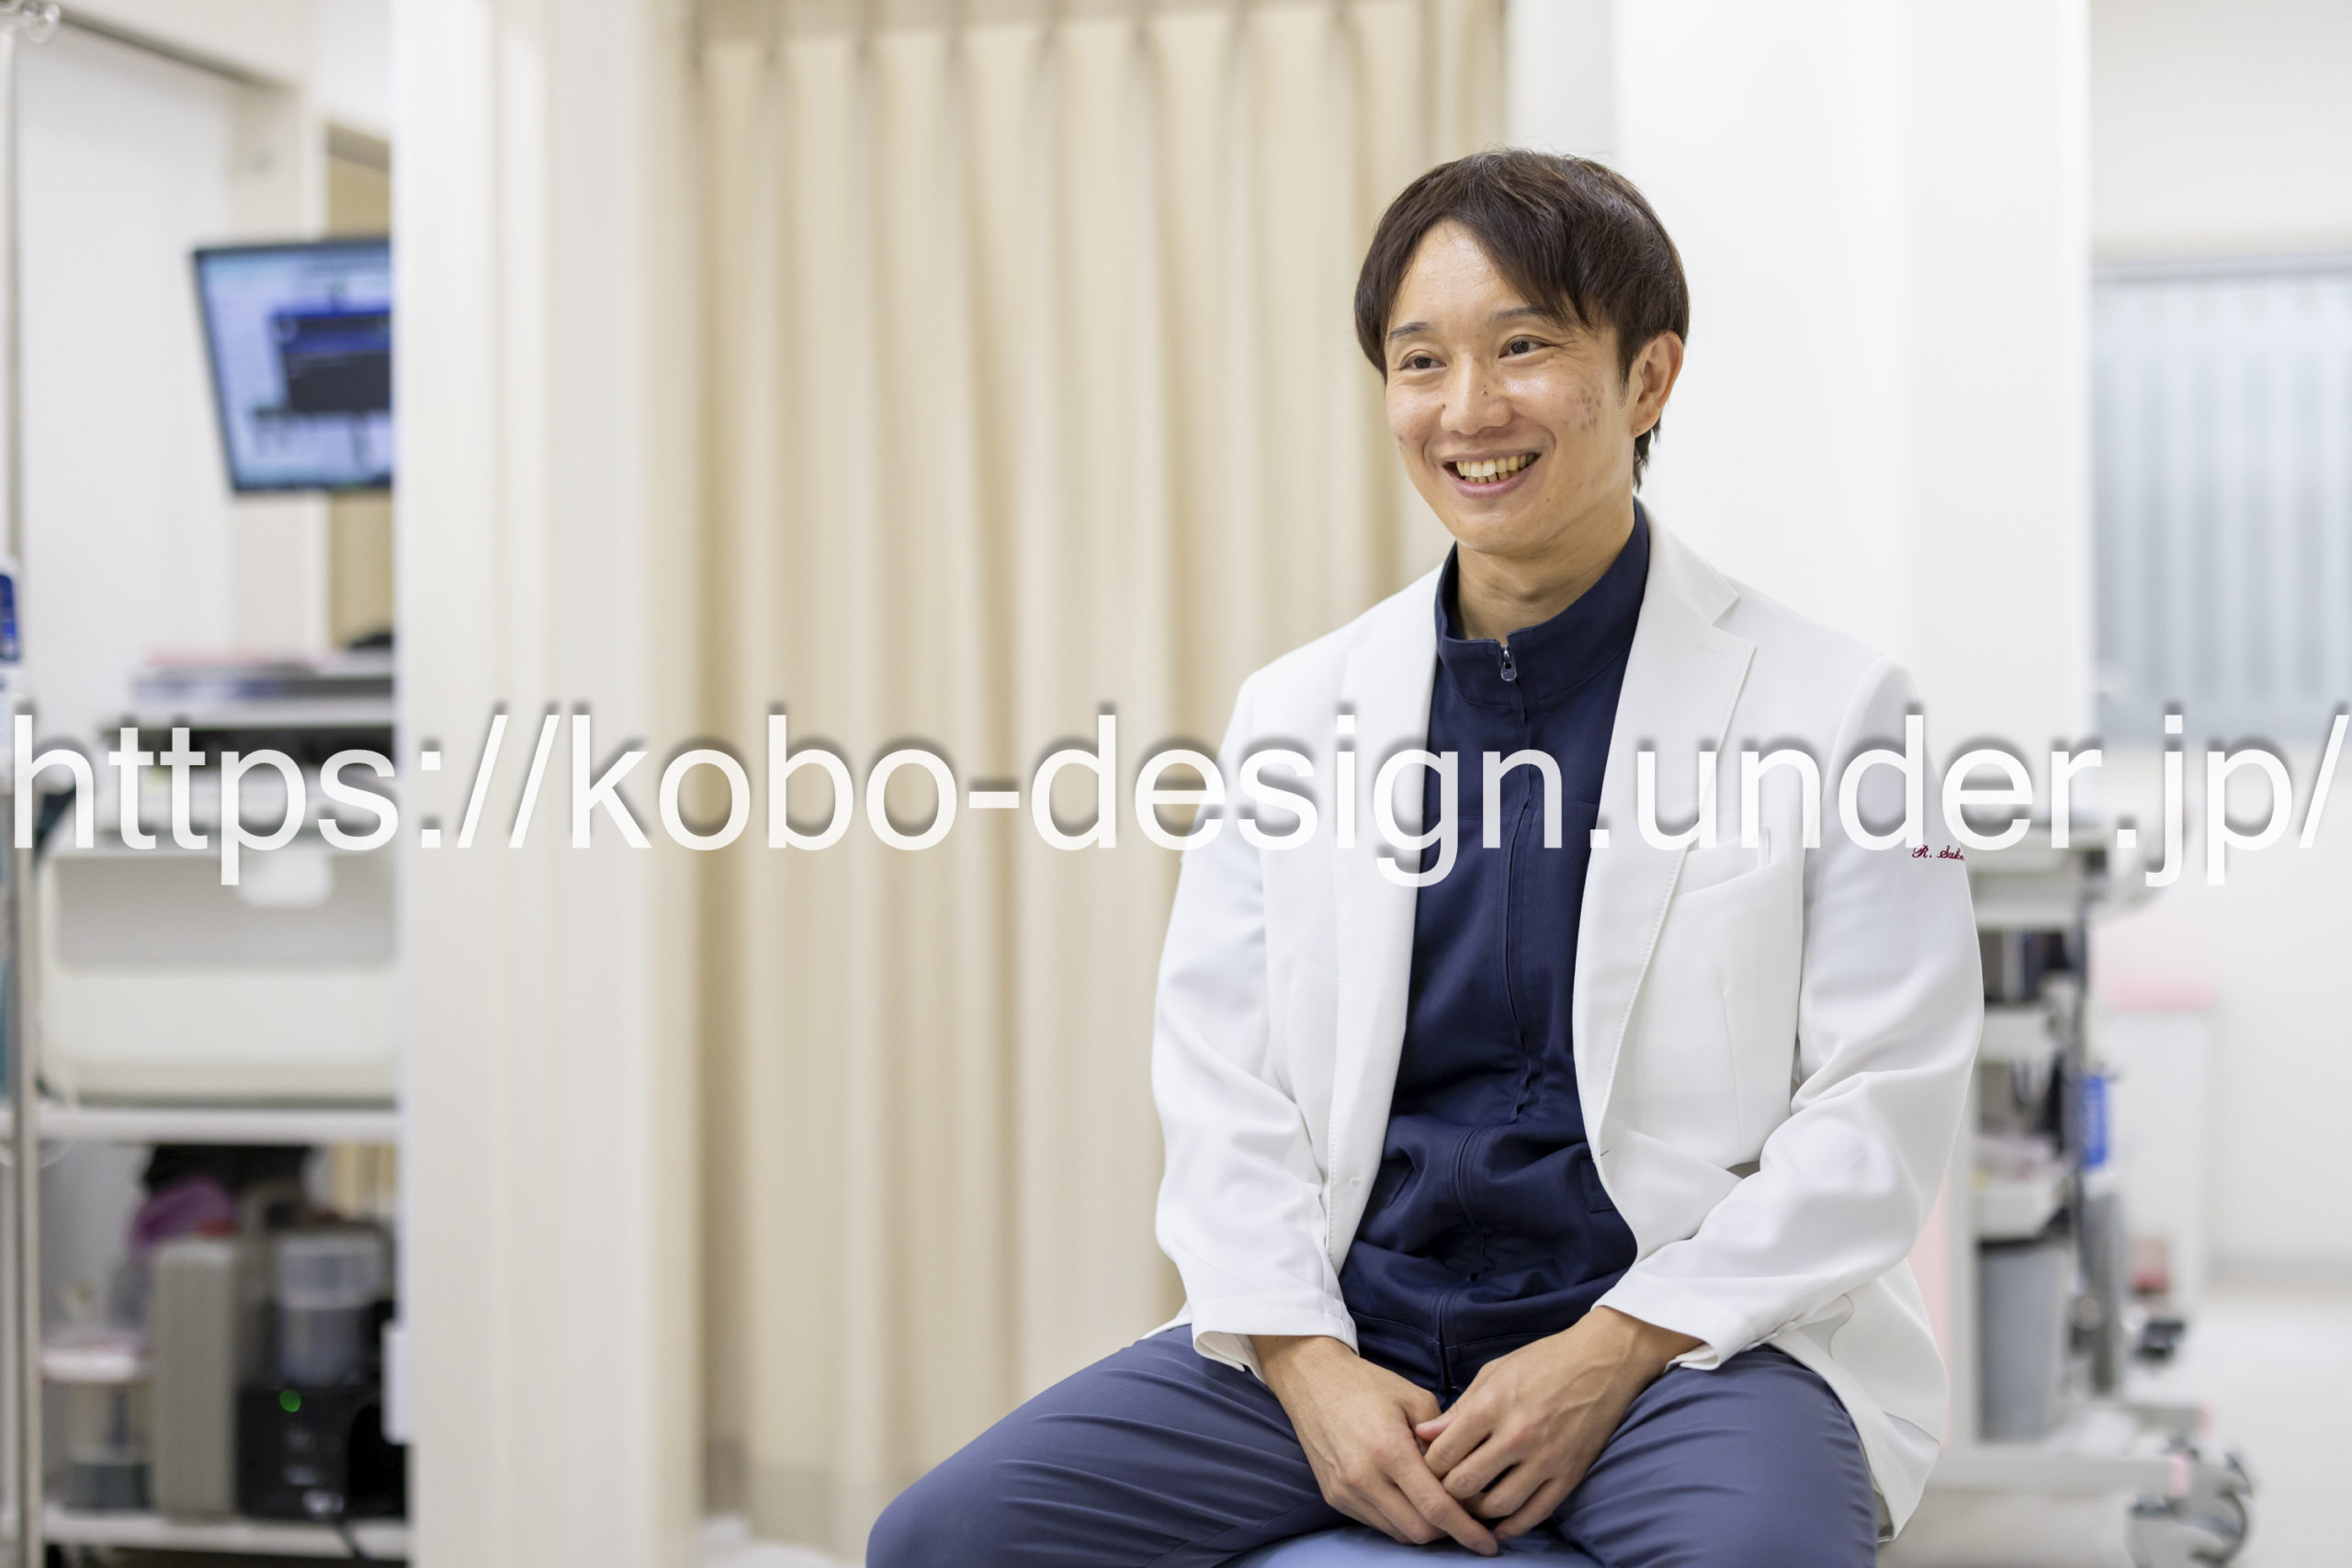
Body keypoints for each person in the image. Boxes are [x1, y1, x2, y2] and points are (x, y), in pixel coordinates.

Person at [869, 149, 1980, 1567]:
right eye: (1419, 361)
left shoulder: (1835, 710)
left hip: (1687, 1343)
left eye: (1523, 347)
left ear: (1648, 379)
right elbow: (1221, 1083)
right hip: (1358, 1321)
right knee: (945, 1541)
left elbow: (1878, 1107)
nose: (1468, 410)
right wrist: (1304, 1365)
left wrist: (1615, 1348)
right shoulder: (1296, 712)